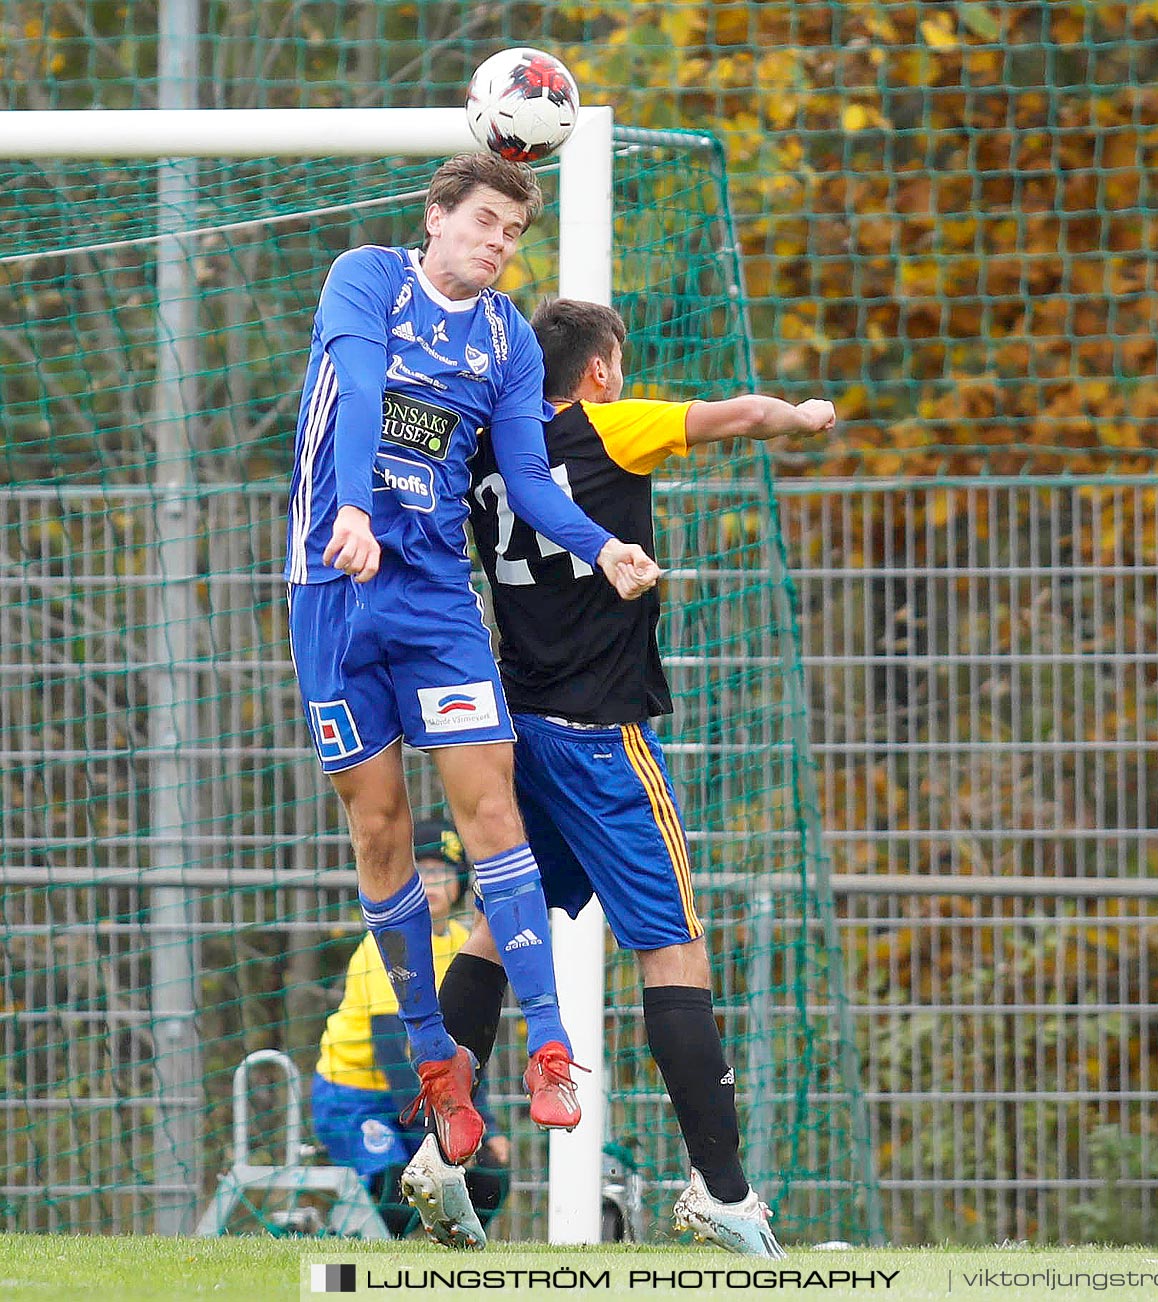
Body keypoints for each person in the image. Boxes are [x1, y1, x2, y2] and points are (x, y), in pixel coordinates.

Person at [398, 297, 835, 1256]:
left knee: (498, 926)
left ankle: (441, 1151)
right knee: (675, 945)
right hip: (601, 740)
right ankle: (722, 1193)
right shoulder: (606, 426)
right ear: (599, 372)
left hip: (518, 729)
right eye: (620, 363)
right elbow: (736, 416)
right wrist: (802, 416)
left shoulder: (480, 454)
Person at [285, 153, 664, 1171]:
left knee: (490, 810)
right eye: (486, 223)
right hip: (335, 590)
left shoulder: (505, 339)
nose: (499, 245)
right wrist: (354, 511)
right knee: (381, 830)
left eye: (513, 233)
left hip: (436, 605)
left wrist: (601, 546)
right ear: (438, 217)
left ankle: (547, 1044)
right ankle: (435, 1067)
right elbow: (361, 386)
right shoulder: (365, 279)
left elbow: (532, 481)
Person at [311, 820, 511, 1244]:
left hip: (430, 1101)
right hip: (358, 1097)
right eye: (420, 869)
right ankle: (341, 1258)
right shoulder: (388, 944)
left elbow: (472, 1050)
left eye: (443, 871)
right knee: (395, 1189)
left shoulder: (465, 945)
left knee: (491, 1174)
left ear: (460, 881)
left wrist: (485, 1125)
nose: (432, 881)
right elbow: (392, 1052)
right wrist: (439, 1131)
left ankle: (452, 1269)